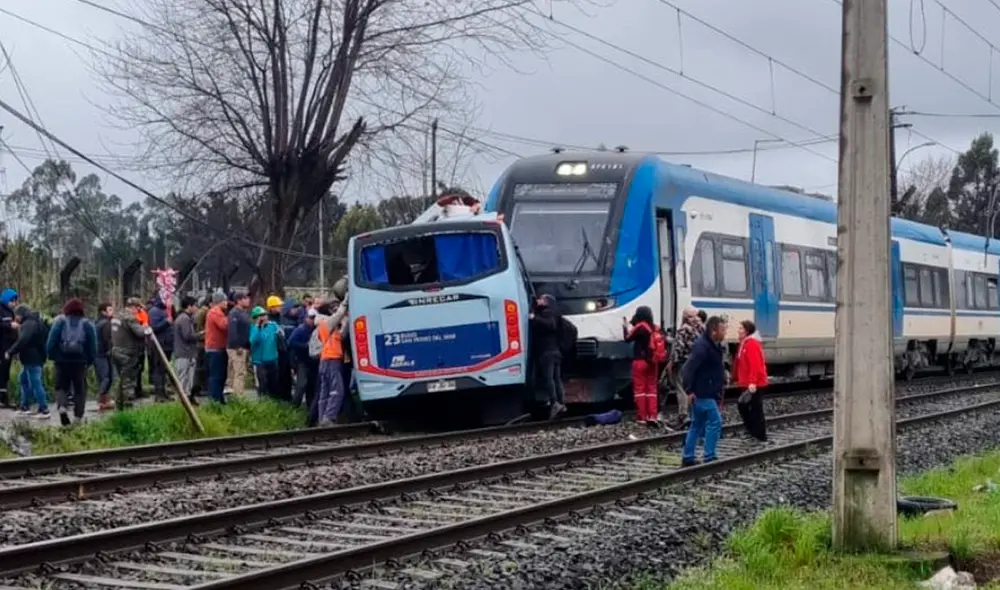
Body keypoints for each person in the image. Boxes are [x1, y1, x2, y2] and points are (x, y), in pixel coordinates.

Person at [680, 315, 728, 467]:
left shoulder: (711, 345)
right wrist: (689, 390)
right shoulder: (703, 347)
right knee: (715, 422)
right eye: (722, 330)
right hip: (703, 392)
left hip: (705, 391)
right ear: (714, 331)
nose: (725, 333)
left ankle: (688, 457)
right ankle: (709, 456)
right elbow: (688, 369)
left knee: (697, 424)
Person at [47, 299, 98, 425]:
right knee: (80, 389)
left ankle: (62, 407)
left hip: (61, 361)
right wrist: (90, 360)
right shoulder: (87, 324)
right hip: (80, 362)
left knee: (61, 386)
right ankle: (78, 417)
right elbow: (93, 345)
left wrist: (53, 356)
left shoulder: (60, 322)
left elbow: (51, 342)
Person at [5, 304, 50, 418]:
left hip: (31, 358)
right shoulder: (37, 322)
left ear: (20, 314)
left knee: (35, 382)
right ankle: (25, 406)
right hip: (36, 357)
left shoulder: (28, 324)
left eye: (16, 315)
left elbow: (23, 340)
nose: (16, 318)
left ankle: (44, 409)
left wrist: (10, 351)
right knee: (23, 379)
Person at [529, 294, 566, 419]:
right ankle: (562, 403)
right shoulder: (556, 313)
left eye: (542, 299)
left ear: (547, 302)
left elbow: (550, 325)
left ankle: (555, 403)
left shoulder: (547, 313)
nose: (539, 300)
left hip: (547, 353)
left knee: (549, 379)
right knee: (557, 378)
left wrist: (534, 318)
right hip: (556, 352)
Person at [667, 307, 704, 427]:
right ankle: (694, 414)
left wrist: (672, 362)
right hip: (697, 363)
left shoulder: (683, 329)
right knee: (694, 389)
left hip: (684, 363)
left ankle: (683, 415)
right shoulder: (702, 328)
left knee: (682, 388)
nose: (694, 319)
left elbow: (678, 348)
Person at [623, 305, 659, 425]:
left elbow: (627, 338)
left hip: (640, 361)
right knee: (652, 389)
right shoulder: (654, 327)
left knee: (640, 390)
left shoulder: (640, 326)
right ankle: (652, 416)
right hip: (653, 362)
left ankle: (642, 417)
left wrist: (625, 326)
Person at [733, 319, 769, 442]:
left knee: (753, 408)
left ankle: (759, 434)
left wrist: (752, 381)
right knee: (748, 407)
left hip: (754, 384)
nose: (738, 330)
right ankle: (754, 432)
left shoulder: (751, 344)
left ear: (747, 331)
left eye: (741, 328)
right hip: (747, 382)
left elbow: (755, 364)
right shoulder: (744, 343)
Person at [316, 297, 349, 426]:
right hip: (331, 360)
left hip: (326, 360)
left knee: (325, 392)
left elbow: (342, 334)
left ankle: (322, 419)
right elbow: (340, 314)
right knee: (337, 390)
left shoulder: (323, 325)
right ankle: (329, 417)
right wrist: (346, 300)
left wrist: (345, 321)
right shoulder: (327, 323)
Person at [111, 298, 148, 412]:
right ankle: (128, 407)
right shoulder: (130, 318)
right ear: (133, 307)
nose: (138, 311)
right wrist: (145, 327)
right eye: (138, 308)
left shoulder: (117, 316)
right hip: (128, 352)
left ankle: (118, 406)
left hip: (116, 350)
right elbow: (140, 333)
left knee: (122, 379)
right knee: (128, 381)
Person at [287, 308, 318, 409]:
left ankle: (310, 407)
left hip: (314, 362)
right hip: (302, 362)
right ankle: (294, 407)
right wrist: (305, 346)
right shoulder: (300, 329)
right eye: (310, 317)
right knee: (301, 384)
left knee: (312, 386)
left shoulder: (317, 329)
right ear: (306, 318)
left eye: (314, 318)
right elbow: (291, 342)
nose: (312, 320)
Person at [147, 295, 174, 402]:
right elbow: (154, 328)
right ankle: (159, 393)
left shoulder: (166, 310)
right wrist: (166, 322)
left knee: (164, 370)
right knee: (159, 369)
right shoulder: (154, 311)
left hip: (167, 344)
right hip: (159, 344)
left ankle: (163, 392)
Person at [249, 306, 281, 399]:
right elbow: (252, 341)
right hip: (259, 362)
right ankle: (263, 402)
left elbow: (280, 336)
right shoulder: (253, 328)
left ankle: (274, 401)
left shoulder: (273, 325)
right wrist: (258, 327)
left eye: (265, 315)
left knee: (274, 384)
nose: (264, 317)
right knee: (262, 384)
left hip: (272, 359)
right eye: (261, 316)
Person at [204, 292, 229, 403]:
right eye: (225, 300)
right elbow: (224, 325)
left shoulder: (215, 312)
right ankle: (215, 399)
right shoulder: (215, 312)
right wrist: (231, 319)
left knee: (219, 375)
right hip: (215, 348)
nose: (226, 303)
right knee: (216, 375)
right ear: (220, 301)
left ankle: (218, 397)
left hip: (216, 348)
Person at [173, 296, 200, 399]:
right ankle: (183, 399)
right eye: (195, 305)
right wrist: (200, 335)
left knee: (188, 378)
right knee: (184, 377)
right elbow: (187, 336)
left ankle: (187, 397)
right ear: (189, 306)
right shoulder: (184, 319)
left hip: (185, 352)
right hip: (184, 352)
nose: (197, 308)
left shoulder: (185, 317)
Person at [226, 293, 252, 396]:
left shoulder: (244, 313)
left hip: (244, 347)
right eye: (245, 298)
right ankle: (238, 396)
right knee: (239, 372)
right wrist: (237, 346)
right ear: (239, 300)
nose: (248, 300)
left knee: (236, 372)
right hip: (236, 348)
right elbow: (232, 330)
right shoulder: (234, 313)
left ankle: (234, 395)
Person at [94, 302, 116, 411]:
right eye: (110, 310)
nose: (112, 312)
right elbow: (108, 339)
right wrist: (111, 350)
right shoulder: (106, 323)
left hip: (97, 353)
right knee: (107, 377)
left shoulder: (96, 322)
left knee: (103, 377)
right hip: (103, 353)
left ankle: (104, 399)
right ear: (103, 311)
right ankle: (101, 399)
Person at [0, 288, 19, 408]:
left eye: (15, 301)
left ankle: (4, 398)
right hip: (2, 346)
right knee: (2, 371)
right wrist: (9, 325)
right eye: (12, 301)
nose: (14, 303)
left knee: (5, 372)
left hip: (9, 346)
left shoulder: (10, 312)